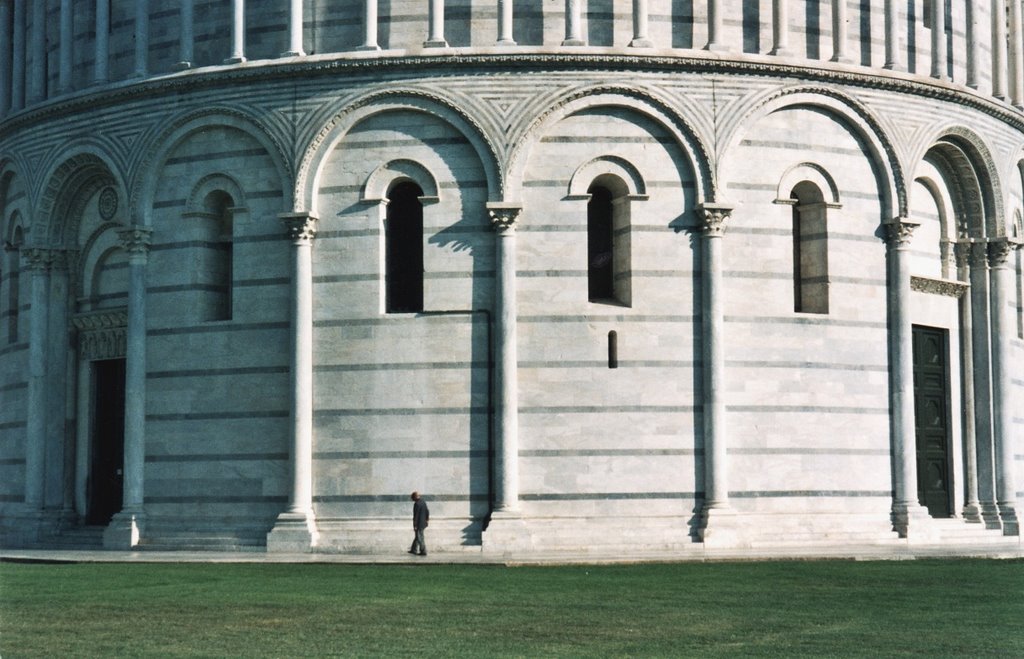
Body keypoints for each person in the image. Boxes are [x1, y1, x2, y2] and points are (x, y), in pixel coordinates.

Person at [408, 491, 429, 556]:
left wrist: (415, 525)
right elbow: (427, 511)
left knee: (420, 537)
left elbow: (416, 516)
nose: (412, 500)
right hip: (423, 523)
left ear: (414, 497)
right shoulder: (423, 502)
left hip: (419, 524)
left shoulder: (416, 504)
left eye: (412, 498)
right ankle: (413, 549)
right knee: (418, 537)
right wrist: (427, 520)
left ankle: (423, 551)